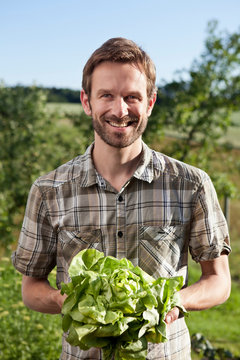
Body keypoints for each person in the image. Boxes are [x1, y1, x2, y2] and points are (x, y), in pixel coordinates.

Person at [12, 38, 231, 360]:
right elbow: (31, 289)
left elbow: (218, 281)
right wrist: (67, 301)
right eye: (107, 96)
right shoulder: (49, 190)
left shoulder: (191, 184)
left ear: (151, 102)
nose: (120, 110)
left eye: (132, 97)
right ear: (87, 102)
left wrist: (175, 302)